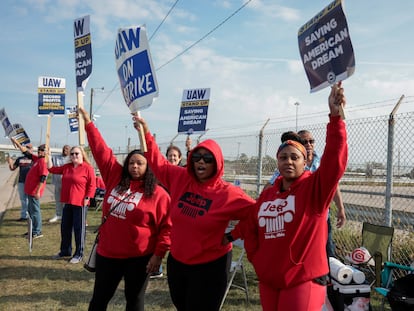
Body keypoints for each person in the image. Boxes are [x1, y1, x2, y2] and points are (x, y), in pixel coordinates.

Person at [228, 83, 347, 311]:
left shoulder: (314, 189)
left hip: (303, 280)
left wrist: (335, 118)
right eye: (283, 157)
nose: (288, 161)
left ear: (305, 161)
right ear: (277, 162)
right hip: (270, 280)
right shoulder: (269, 193)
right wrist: (257, 259)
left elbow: (335, 160)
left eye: (294, 157)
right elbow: (251, 223)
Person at [133, 115, 256, 311]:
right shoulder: (181, 178)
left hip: (211, 266)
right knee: (182, 305)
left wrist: (233, 235)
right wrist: (145, 132)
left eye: (208, 159)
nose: (201, 162)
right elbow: (157, 162)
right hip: (178, 262)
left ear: (217, 163)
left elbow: (258, 214)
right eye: (197, 157)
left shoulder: (228, 193)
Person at [78, 107, 172, 311]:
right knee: (99, 299)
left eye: (140, 163)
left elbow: (167, 228)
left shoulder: (158, 194)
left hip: (139, 259)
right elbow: (101, 150)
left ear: (149, 167)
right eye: (131, 163)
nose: (135, 167)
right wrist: (88, 123)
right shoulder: (114, 178)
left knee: (134, 301)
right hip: (108, 254)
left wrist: (158, 255)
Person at [297, 129, 346, 258]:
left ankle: (328, 277)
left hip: (322, 217)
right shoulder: (293, 161)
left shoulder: (322, 162)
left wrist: (341, 208)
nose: (308, 144)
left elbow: (334, 186)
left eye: (311, 141)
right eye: (304, 141)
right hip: (301, 217)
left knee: (328, 251)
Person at [48, 146, 96, 264]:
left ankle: (79, 253)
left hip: (80, 203)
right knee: (65, 227)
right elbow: (51, 169)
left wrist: (87, 197)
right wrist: (48, 156)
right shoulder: (67, 167)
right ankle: (65, 251)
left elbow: (92, 185)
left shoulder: (87, 168)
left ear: (82, 155)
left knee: (79, 229)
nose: (74, 155)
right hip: (68, 202)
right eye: (72, 154)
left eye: (77, 153)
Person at [13, 141, 49, 239]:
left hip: (34, 191)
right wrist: (18, 143)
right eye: (39, 150)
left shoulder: (42, 162)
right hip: (30, 190)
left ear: (46, 152)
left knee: (35, 211)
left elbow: (43, 177)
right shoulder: (37, 159)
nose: (39, 152)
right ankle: (32, 230)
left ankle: (37, 231)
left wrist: (38, 191)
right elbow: (27, 153)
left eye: (42, 150)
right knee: (31, 211)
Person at [8, 143, 33, 221]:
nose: (28, 148)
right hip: (21, 182)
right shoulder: (19, 159)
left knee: (29, 200)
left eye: (29, 147)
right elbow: (12, 168)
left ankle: (30, 216)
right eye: (27, 147)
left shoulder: (34, 158)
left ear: (32, 149)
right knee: (23, 199)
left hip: (31, 182)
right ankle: (23, 216)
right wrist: (10, 162)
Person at [49, 145, 70, 223]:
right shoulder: (55, 157)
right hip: (57, 182)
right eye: (64, 148)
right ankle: (58, 214)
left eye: (67, 149)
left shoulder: (71, 159)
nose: (65, 150)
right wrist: (48, 153)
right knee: (58, 199)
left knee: (66, 200)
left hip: (67, 184)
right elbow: (48, 160)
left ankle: (65, 215)